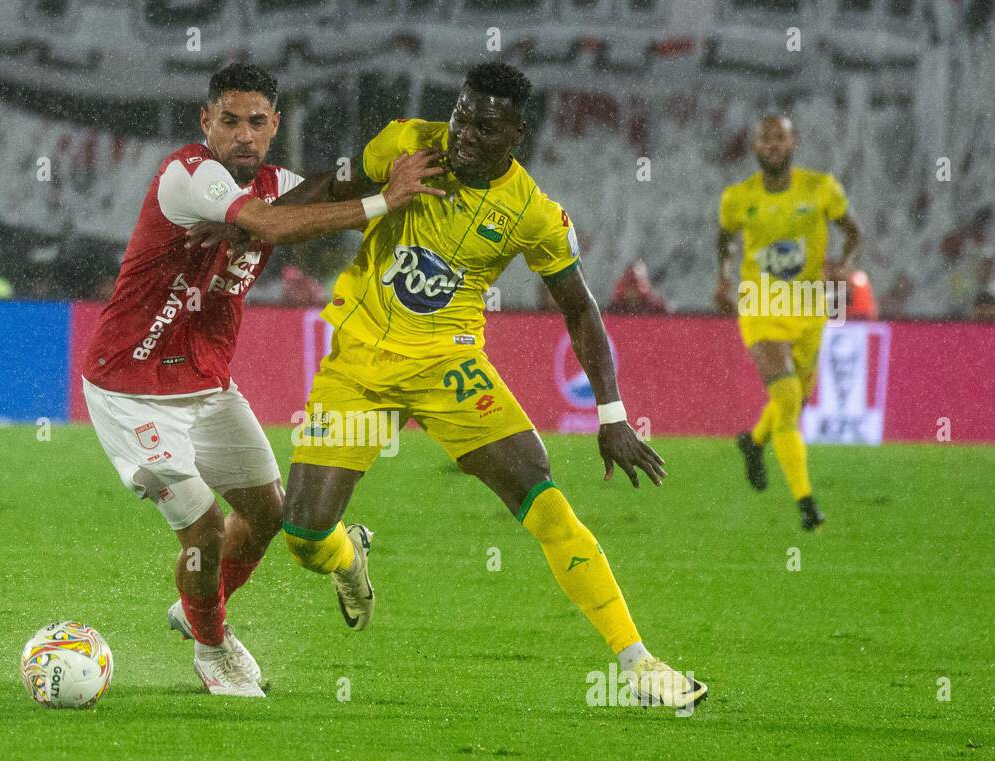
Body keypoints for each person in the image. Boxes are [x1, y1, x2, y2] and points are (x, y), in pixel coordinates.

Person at [243, 63, 706, 709]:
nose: (462, 135)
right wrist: (263, 224)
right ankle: (350, 556)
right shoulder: (407, 143)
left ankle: (640, 663)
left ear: (515, 134)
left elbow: (580, 307)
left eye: (483, 126)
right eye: (461, 116)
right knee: (304, 533)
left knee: (545, 499)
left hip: (449, 369)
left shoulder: (534, 214)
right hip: (360, 364)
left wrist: (613, 413)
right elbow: (335, 187)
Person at [80, 63, 441, 697]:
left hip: (207, 386)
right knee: (203, 528)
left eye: (256, 122)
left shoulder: (280, 183)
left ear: (275, 126)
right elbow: (273, 225)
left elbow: (322, 207)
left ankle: (200, 605)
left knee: (268, 514)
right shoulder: (187, 176)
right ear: (206, 123)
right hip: (129, 387)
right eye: (229, 121)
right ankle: (214, 649)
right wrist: (383, 200)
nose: (243, 135)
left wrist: (399, 177)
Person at [715, 115, 860, 531]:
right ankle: (806, 503)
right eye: (765, 138)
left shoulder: (820, 189)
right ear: (756, 146)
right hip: (760, 308)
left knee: (795, 399)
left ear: (794, 142)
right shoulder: (738, 197)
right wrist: (722, 277)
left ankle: (753, 442)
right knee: (788, 399)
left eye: (780, 137)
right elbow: (723, 238)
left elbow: (854, 233)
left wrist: (844, 266)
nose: (772, 145)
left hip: (810, 309)